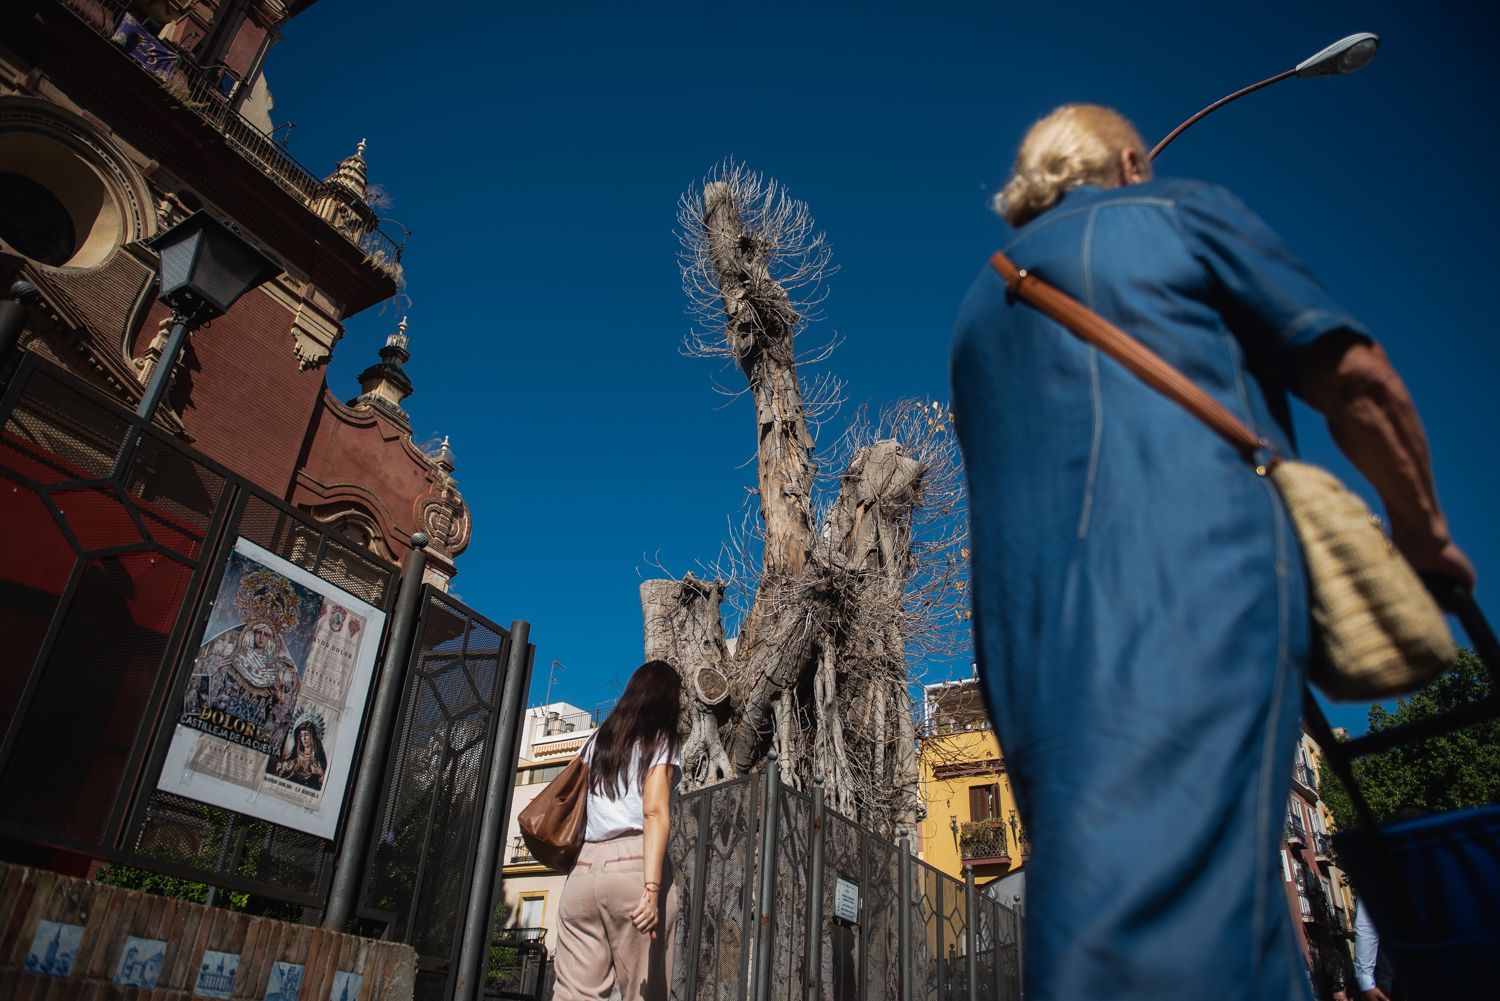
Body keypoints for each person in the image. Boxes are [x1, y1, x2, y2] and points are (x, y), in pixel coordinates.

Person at [950, 104, 1473, 1000]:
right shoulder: (1177, 211)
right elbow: (1357, 378)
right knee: (1165, 918)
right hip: (1192, 591)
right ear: (1125, 162)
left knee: (1137, 886)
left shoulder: (976, 311)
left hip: (1024, 649)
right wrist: (1425, 540)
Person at [554, 660, 682, 1001]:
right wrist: (652, 889)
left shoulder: (596, 741)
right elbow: (654, 812)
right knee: (643, 991)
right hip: (633, 867)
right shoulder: (661, 740)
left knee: (573, 994)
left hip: (581, 871)